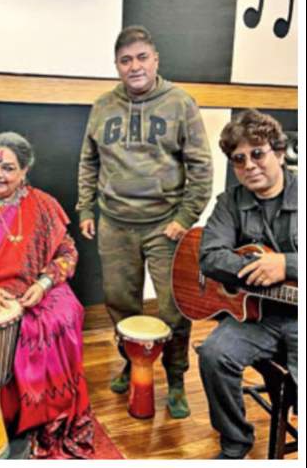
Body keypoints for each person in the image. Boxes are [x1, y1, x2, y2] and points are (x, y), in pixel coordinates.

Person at [76, 25, 213, 418]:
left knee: (174, 308)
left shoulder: (180, 103)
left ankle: (174, 379)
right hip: (115, 223)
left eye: (141, 57)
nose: (134, 66)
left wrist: (185, 217)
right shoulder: (102, 106)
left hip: (164, 225)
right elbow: (89, 161)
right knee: (121, 303)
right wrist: (86, 209)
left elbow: (201, 167)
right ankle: (130, 361)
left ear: (155, 60)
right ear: (116, 66)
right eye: (125, 60)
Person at [0, 132, 93, 459]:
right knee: (10, 327)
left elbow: (67, 252)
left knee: (65, 313)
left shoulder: (42, 203)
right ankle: (1, 417)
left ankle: (49, 416)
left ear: (24, 171)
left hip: (33, 288)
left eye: (8, 168)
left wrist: (44, 284)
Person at [196, 110, 297, 459]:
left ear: (280, 153)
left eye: (258, 153)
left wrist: (285, 263)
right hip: (258, 316)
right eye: (239, 159)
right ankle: (236, 440)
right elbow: (209, 257)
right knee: (213, 354)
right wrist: (257, 266)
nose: (249, 165)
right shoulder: (230, 202)